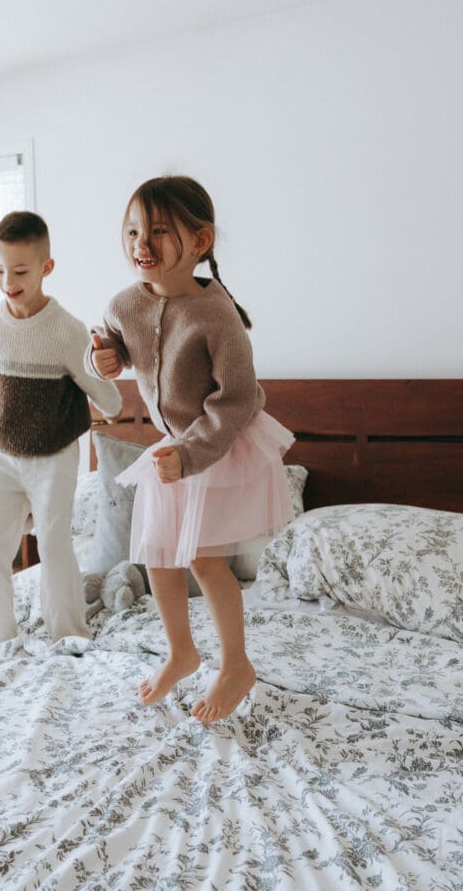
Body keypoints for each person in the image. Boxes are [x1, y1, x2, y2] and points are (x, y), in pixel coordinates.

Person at [87, 176, 294, 722]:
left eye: (159, 230)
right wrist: (104, 358)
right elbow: (111, 340)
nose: (142, 243)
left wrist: (193, 453)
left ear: (200, 242)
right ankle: (181, 651)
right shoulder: (125, 302)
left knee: (203, 559)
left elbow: (240, 398)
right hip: (173, 445)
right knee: (156, 551)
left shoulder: (215, 313)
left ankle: (236, 665)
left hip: (219, 442)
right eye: (133, 231)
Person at [0, 210, 122, 645]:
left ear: (46, 268)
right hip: (5, 454)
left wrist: (109, 401)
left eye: (19, 271)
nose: (7, 280)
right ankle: (4, 638)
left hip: (54, 454)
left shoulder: (66, 331)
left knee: (52, 543)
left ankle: (67, 633)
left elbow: (103, 390)